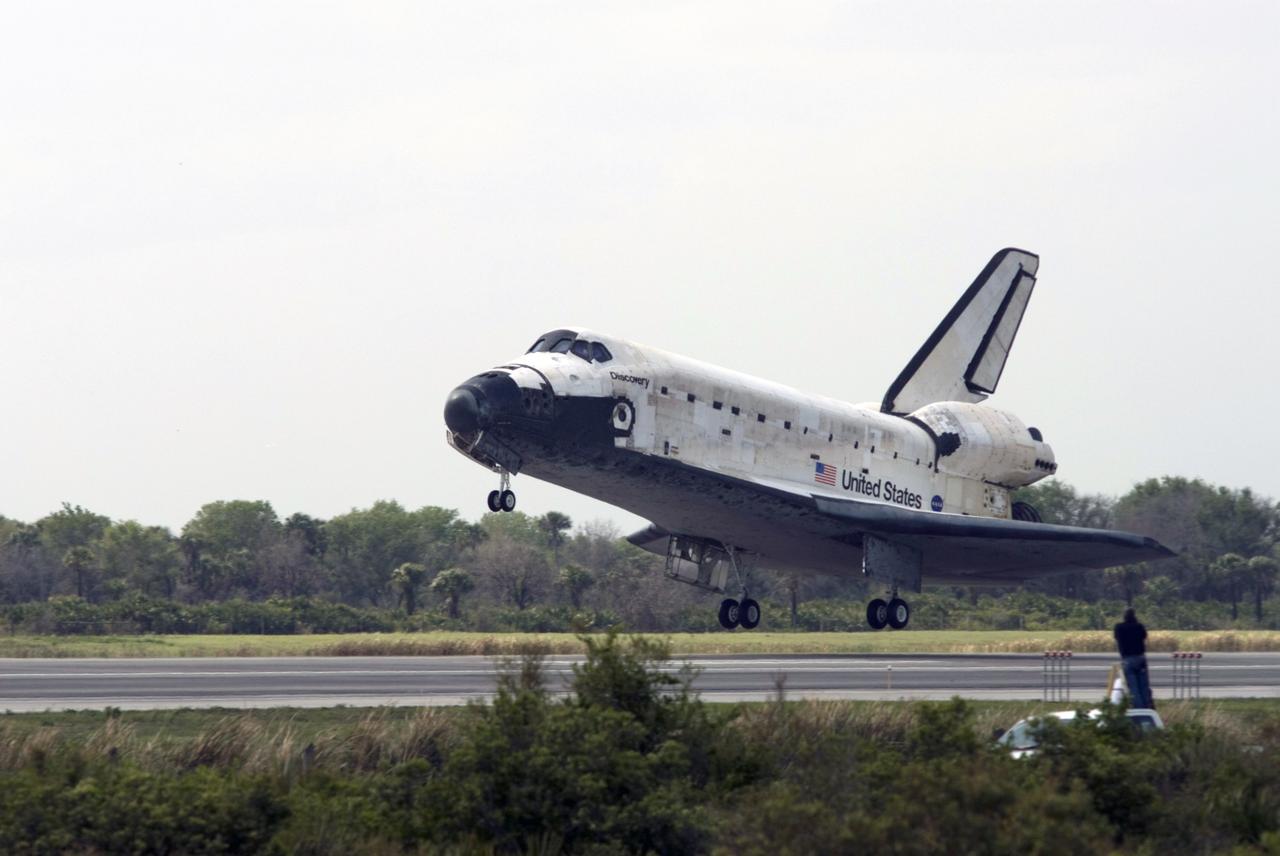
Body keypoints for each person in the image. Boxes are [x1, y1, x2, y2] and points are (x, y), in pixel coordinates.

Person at [1114, 607, 1153, 708]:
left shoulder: (1119, 627)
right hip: (1140, 657)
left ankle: (1140, 709)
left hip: (1128, 658)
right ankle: (1147, 707)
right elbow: (1144, 636)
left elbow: (1117, 637)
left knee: (1133, 688)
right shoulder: (1139, 626)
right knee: (1144, 687)